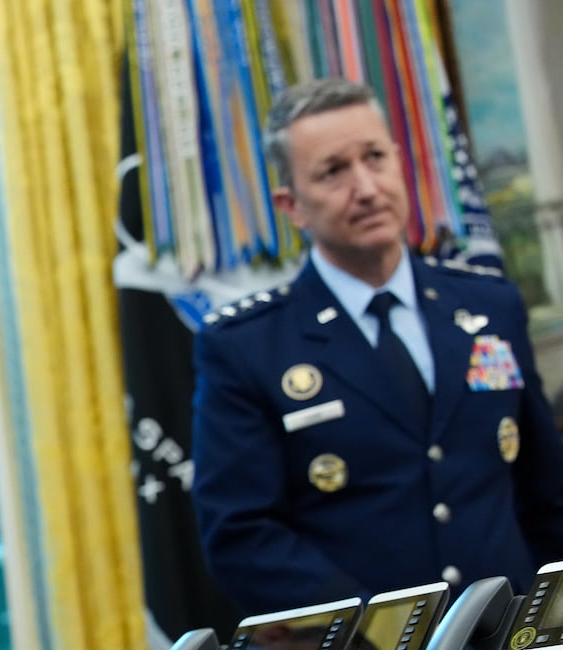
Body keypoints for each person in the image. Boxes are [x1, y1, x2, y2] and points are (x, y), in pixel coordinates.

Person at [192, 77, 563, 614]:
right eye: (333, 171)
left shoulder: (488, 307)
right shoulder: (248, 348)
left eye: (375, 158)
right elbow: (243, 536)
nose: (365, 187)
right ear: (291, 205)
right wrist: (381, 638)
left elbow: (545, 490)